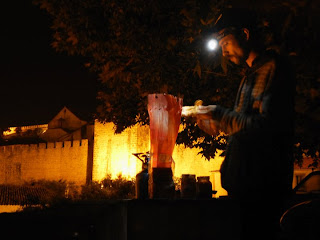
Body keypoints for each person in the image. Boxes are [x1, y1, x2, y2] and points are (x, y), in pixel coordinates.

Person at [184, 8, 295, 240]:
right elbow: (242, 129)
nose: (223, 52)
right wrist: (213, 124)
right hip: (243, 192)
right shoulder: (249, 75)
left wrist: (219, 114)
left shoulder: (273, 68)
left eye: (225, 42)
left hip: (263, 194)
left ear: (244, 34)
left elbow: (265, 127)